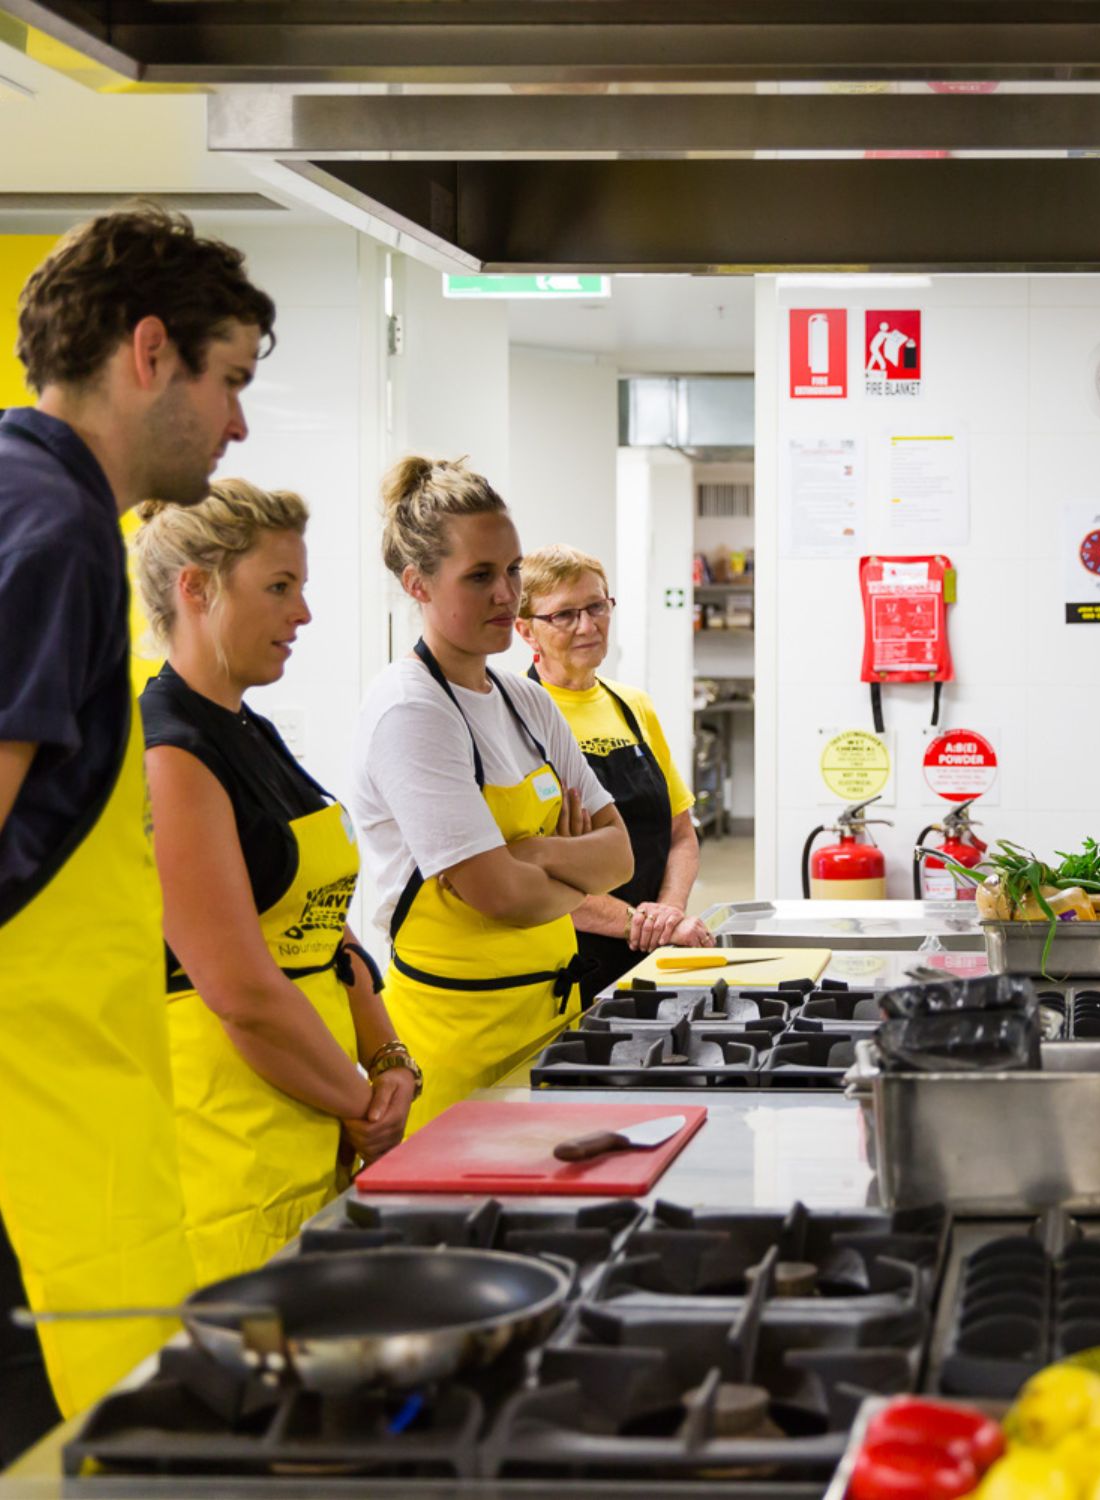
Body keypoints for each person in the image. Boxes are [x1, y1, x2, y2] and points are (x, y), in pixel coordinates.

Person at [0, 202, 273, 1452]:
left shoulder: (31, 507)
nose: (239, 422)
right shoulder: (51, 534)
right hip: (38, 1145)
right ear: (148, 351)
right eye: (230, 379)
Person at [132, 480, 419, 1287]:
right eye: (279, 587)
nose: (303, 614)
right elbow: (241, 994)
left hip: (314, 1120)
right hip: (234, 1156)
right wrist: (362, 1103)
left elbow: (328, 924)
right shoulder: (171, 757)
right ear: (197, 588)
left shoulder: (248, 728)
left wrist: (388, 1052)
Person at [348, 459, 632, 1131]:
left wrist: (526, 852)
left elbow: (620, 856)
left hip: (553, 1026)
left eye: (511, 570)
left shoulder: (527, 701)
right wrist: (555, 864)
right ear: (416, 584)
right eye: (480, 576)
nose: (507, 594)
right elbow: (499, 895)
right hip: (457, 1054)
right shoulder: (410, 712)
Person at [516, 545, 711, 999]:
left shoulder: (633, 706)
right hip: (566, 963)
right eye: (564, 614)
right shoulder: (515, 716)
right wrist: (640, 924)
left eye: (597, 606)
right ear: (526, 631)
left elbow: (680, 832)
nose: (588, 625)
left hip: (653, 951)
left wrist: (668, 913)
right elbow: (524, 875)